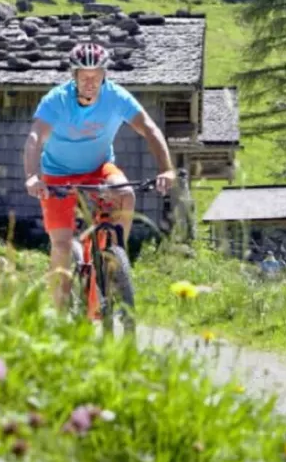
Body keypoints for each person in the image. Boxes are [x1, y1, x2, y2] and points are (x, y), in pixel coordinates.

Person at [23, 41, 177, 313]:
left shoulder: (117, 97)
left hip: (99, 169)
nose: (90, 81)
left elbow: (150, 129)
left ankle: (115, 262)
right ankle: (59, 317)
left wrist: (166, 169)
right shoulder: (56, 100)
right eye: (84, 76)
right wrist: (32, 176)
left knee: (125, 193)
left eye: (96, 75)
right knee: (60, 245)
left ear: (105, 75)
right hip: (58, 175)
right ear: (74, 77)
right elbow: (35, 137)